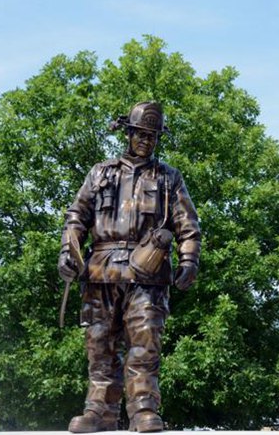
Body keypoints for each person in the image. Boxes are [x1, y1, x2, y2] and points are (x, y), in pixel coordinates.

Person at [58, 102, 201, 433]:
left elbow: (188, 225)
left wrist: (189, 260)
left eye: (152, 137)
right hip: (101, 271)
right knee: (99, 342)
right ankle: (99, 410)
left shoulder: (169, 177)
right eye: (140, 134)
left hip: (148, 273)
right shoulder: (100, 173)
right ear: (129, 133)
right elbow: (77, 215)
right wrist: (69, 250)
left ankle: (143, 409)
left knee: (145, 341)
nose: (146, 142)